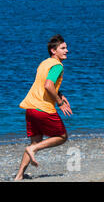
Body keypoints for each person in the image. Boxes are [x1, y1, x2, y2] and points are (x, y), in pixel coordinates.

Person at [14, 34, 72, 181]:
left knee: (35, 140)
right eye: (63, 48)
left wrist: (60, 93)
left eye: (66, 48)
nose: (67, 51)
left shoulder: (44, 63)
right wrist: (59, 102)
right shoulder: (57, 66)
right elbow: (48, 85)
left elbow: (44, 83)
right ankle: (33, 149)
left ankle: (19, 176)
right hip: (43, 109)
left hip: (31, 108)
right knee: (62, 137)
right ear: (54, 50)